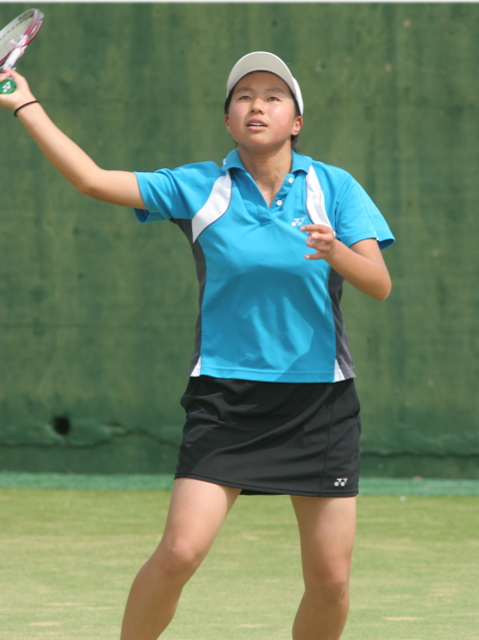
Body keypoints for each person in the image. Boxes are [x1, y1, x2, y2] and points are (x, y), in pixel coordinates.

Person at [0, 51, 394, 640]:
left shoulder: (334, 187)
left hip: (321, 403)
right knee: (179, 553)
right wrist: (23, 102)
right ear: (228, 120)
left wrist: (336, 250)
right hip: (225, 399)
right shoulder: (200, 187)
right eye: (243, 97)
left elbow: (379, 284)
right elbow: (91, 179)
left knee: (331, 580)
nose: (257, 105)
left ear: (296, 122)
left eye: (273, 97)